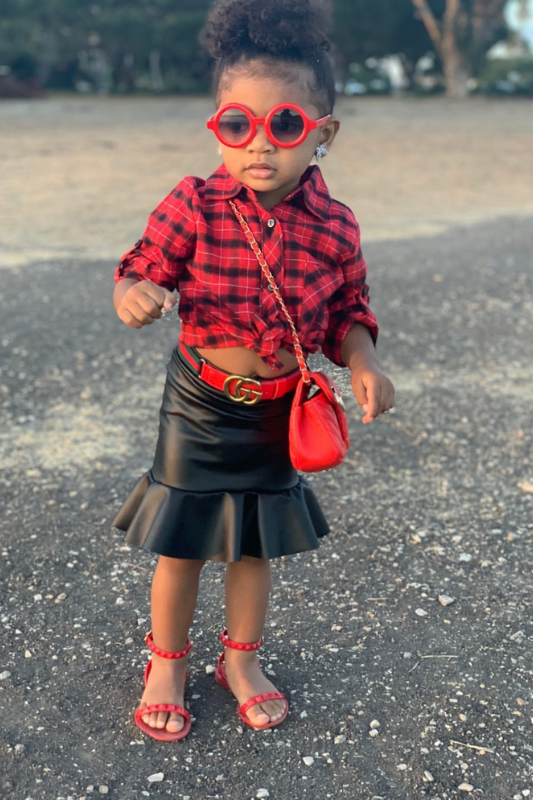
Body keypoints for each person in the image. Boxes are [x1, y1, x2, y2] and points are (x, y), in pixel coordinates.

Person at [112, 0, 395, 742]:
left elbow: (347, 311)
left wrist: (363, 360)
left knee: (251, 544)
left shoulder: (334, 227)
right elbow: (140, 266)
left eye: (285, 125)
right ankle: (166, 662)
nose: (257, 144)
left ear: (322, 133)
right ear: (217, 128)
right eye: (236, 125)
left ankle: (240, 660)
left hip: (277, 410)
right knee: (181, 542)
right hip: (201, 403)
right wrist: (134, 293)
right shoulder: (195, 204)